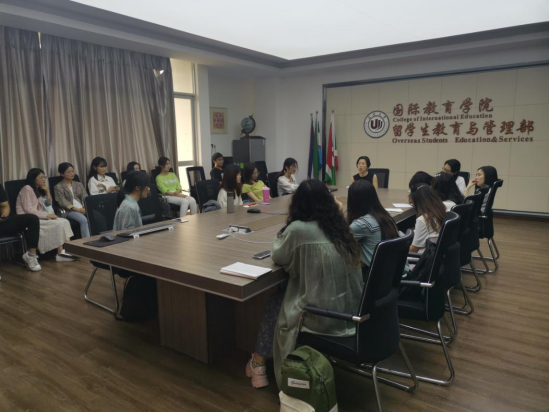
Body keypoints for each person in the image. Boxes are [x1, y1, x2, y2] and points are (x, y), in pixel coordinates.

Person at [246, 180, 363, 389]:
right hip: (351, 311)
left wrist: (286, 229)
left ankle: (258, 362)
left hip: (320, 316)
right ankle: (258, 361)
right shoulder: (340, 227)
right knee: (284, 294)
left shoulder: (299, 229)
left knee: (276, 302)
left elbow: (278, 254)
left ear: (298, 204)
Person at [16, 168, 75, 261]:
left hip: (38, 216)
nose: (44, 179)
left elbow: (48, 206)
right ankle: (60, 253)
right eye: (41, 177)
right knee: (58, 224)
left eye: (44, 177)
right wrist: (47, 216)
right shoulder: (27, 188)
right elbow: (28, 209)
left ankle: (66, 250)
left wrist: (47, 192)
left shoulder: (38, 189)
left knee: (64, 221)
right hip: (28, 219)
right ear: (33, 178)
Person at [347, 180, 401, 278]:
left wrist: (337, 210)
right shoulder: (386, 217)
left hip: (375, 279)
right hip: (393, 274)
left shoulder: (361, 224)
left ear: (352, 200)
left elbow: (338, 244)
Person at [0, 184, 42, 271]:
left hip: (2, 223)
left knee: (32, 219)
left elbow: (5, 206)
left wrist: (5, 214)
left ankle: (30, 255)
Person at [54, 163, 91, 238]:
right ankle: (86, 240)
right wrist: (78, 210)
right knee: (83, 220)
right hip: (69, 211)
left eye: (73, 171)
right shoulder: (58, 187)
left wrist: (85, 207)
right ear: (62, 174)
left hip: (83, 208)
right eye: (69, 172)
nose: (72, 173)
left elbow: (85, 197)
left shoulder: (79, 184)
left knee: (99, 216)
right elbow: (62, 202)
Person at [409, 184, 446, 253]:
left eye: (412, 203)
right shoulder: (442, 212)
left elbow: (413, 249)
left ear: (418, 203)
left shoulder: (423, 220)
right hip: (439, 255)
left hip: (421, 257)